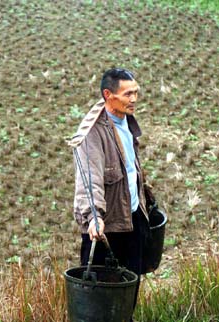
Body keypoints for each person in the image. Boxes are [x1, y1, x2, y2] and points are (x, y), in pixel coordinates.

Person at [70, 68, 150, 317]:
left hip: (133, 218)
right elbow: (90, 179)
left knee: (130, 289)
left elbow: (131, 169)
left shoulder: (126, 120)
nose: (134, 99)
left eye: (136, 92)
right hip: (107, 227)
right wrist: (94, 216)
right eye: (128, 94)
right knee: (100, 302)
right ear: (108, 95)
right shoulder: (92, 133)